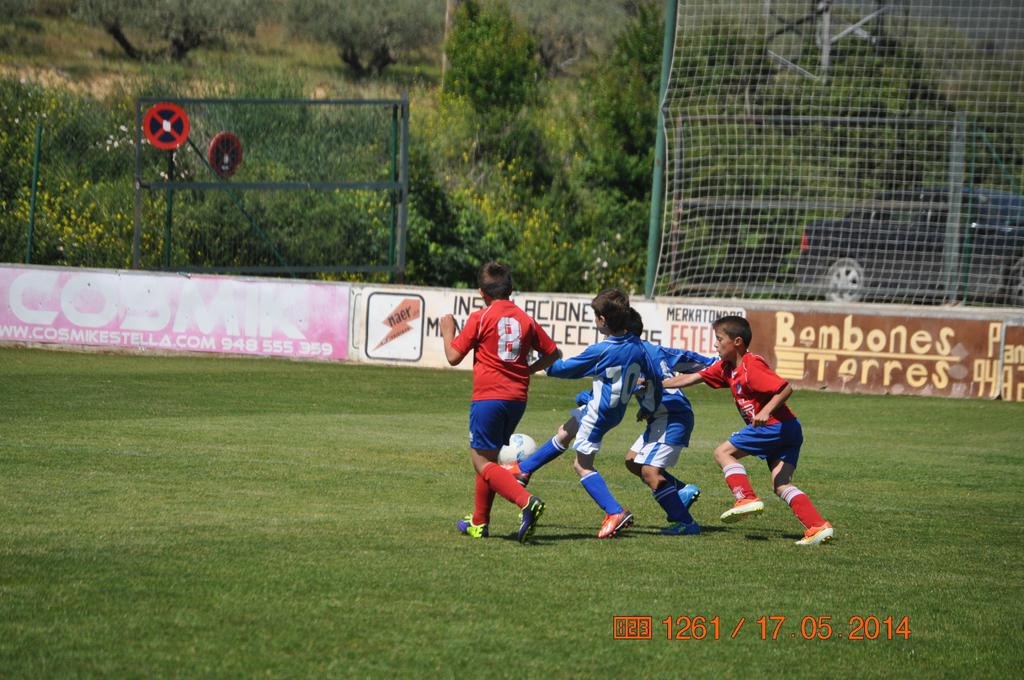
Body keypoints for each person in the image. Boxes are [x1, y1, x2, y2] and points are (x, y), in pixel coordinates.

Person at [662, 315, 834, 546]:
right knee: (781, 484)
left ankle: (746, 498)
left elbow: (785, 388)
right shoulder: (726, 368)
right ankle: (817, 526)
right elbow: (692, 378)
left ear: (737, 342)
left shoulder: (751, 365)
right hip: (789, 430)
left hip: (774, 426)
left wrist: (766, 411)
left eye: (719, 339)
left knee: (723, 452)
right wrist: (655, 384)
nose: (715, 344)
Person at [510, 289, 660, 539]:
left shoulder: (603, 350)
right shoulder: (637, 345)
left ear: (602, 320)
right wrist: (647, 403)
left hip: (598, 413)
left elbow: (566, 369)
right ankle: (524, 470)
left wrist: (545, 361)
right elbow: (651, 374)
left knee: (582, 465)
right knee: (565, 431)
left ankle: (614, 511)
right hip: (612, 410)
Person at [440, 261, 561, 544]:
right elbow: (553, 353)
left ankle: (526, 501)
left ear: (481, 292)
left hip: (489, 398)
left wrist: (448, 331)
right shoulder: (525, 319)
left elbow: (453, 357)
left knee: (481, 462)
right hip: (517, 399)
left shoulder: (481, 317)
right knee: (490, 458)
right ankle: (479, 522)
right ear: (510, 289)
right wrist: (528, 370)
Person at [623, 309, 717, 536]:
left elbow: (645, 383)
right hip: (661, 416)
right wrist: (713, 362)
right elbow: (686, 359)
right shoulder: (654, 350)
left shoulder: (635, 354)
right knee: (632, 461)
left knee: (649, 472)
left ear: (622, 331)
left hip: (671, 416)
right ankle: (682, 491)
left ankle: (686, 523)